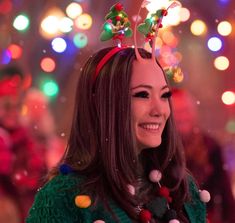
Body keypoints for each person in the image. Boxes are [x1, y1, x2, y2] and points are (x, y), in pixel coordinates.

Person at [26, 46, 209, 223]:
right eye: (143, 94)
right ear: (105, 104)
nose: (159, 110)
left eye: (164, 95)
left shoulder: (182, 189)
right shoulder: (63, 198)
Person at [171, 88, 235, 223]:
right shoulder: (163, 149)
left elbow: (225, 193)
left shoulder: (210, 146)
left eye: (185, 110)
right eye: (176, 112)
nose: (182, 116)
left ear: (193, 112)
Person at [0, 64, 47, 221]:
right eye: (7, 106)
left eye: (17, 107)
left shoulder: (25, 138)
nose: (13, 112)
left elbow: (37, 171)